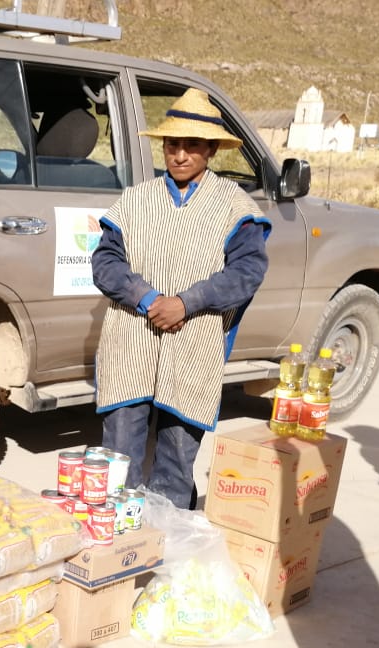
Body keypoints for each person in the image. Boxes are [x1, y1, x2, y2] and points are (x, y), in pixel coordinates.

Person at [90, 87, 271, 509]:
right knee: (119, 461)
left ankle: (167, 551)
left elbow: (247, 272)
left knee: (175, 461)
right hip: (131, 343)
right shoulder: (136, 200)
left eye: (192, 145)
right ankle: (119, 548)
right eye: (173, 144)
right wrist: (147, 297)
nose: (180, 155)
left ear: (210, 150)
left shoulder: (234, 206)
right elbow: (105, 262)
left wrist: (186, 303)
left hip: (193, 344)